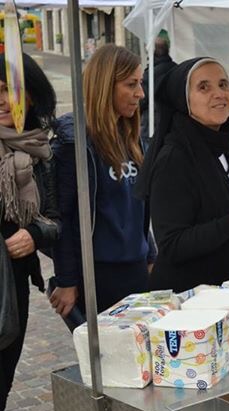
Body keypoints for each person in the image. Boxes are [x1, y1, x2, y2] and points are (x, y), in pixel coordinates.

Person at [135, 57, 229, 293]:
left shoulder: (220, 142)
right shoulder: (174, 159)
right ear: (183, 99)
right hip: (194, 299)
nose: (219, 94)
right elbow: (173, 244)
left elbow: (228, 197)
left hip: (228, 292)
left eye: (223, 84)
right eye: (204, 87)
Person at [50, 44, 154, 318]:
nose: (140, 93)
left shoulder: (132, 139)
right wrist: (67, 280)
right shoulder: (75, 144)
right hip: (98, 275)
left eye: (140, 83)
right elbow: (62, 217)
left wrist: (150, 255)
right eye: (131, 84)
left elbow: (138, 208)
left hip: (136, 269)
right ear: (105, 85)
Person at [0, 53, 59, 411]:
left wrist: (35, 234)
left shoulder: (41, 148)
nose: (2, 99)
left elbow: (58, 218)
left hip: (10, 291)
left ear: (31, 94)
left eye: (9, 88)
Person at [140, 29, 177, 147]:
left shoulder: (150, 74)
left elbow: (140, 102)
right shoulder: (177, 70)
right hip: (173, 130)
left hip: (152, 131)